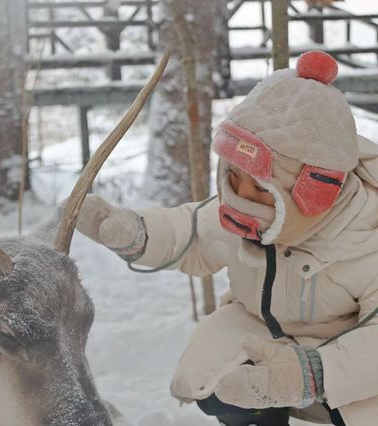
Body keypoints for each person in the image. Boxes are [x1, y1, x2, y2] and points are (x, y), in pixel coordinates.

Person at [76, 51, 378, 426]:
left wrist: (310, 374)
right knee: (220, 386)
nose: (240, 194)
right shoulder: (244, 209)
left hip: (344, 361)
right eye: (234, 175)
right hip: (263, 331)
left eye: (260, 185)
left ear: (314, 191)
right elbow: (191, 231)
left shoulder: (368, 238)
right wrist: (136, 232)